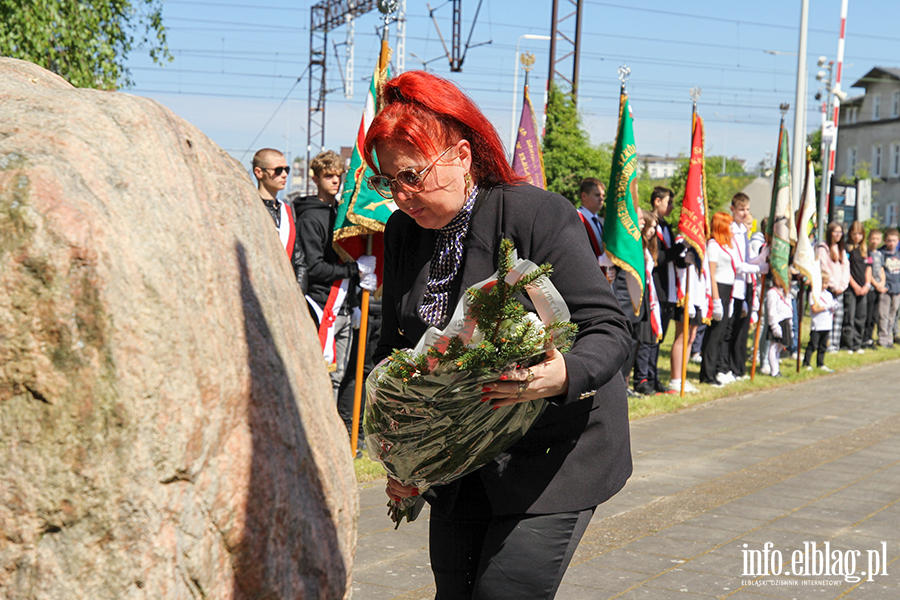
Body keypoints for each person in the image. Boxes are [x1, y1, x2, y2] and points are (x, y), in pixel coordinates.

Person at [364, 70, 633, 600]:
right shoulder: (401, 232)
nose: (400, 196)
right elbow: (394, 351)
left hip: (553, 451)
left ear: (462, 156)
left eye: (412, 176)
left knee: (504, 592)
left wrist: (562, 374)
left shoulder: (535, 213)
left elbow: (609, 328)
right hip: (460, 460)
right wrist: (403, 455)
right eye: (387, 181)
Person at [292, 150, 378, 400]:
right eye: (328, 176)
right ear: (316, 179)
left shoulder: (341, 215)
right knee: (321, 377)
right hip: (320, 307)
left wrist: (356, 292)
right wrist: (355, 270)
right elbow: (314, 267)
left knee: (339, 378)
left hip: (344, 307)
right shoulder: (310, 217)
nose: (335, 181)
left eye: (338, 176)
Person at [634, 186, 680, 395]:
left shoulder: (666, 227)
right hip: (655, 290)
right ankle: (643, 378)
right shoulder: (649, 229)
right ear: (657, 202)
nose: (671, 206)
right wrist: (674, 253)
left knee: (658, 337)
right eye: (668, 202)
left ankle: (653, 377)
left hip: (667, 289)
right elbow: (657, 258)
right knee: (649, 337)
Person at [252, 148, 308, 294]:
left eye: (286, 169)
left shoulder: (288, 211)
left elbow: (299, 261)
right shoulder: (250, 207)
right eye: (278, 170)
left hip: (287, 295)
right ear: (259, 172)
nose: (284, 175)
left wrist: (298, 297)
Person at [726, 193, 767, 379]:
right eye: (741, 209)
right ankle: (725, 366)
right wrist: (759, 267)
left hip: (744, 286)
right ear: (733, 209)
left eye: (747, 209)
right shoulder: (731, 230)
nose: (745, 213)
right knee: (729, 329)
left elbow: (749, 258)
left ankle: (737, 367)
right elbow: (738, 264)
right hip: (732, 285)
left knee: (741, 330)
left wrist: (764, 255)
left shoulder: (743, 232)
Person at [700, 212, 737, 387]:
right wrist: (716, 300)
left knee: (721, 334)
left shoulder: (726, 245)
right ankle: (707, 374)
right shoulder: (713, 245)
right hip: (719, 289)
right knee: (714, 335)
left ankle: (714, 370)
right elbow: (712, 274)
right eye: (728, 224)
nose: (731, 228)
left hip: (728, 289)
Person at [632, 211, 664, 396]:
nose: (651, 231)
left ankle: (650, 377)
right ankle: (640, 379)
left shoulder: (648, 248)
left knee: (651, 339)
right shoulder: (637, 246)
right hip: (641, 296)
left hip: (651, 296)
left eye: (653, 228)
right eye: (649, 226)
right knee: (642, 340)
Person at [818, 222, 850, 353]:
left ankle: (835, 344)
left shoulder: (841, 249)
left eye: (840, 232)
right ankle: (826, 343)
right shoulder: (823, 248)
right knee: (827, 317)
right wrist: (834, 285)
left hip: (840, 288)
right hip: (829, 287)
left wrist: (842, 285)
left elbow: (846, 268)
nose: (838, 235)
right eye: (835, 232)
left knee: (839, 316)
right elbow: (824, 267)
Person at [842, 220, 871, 354]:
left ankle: (857, 343)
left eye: (860, 234)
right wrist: (854, 286)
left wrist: (866, 284)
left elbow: (868, 269)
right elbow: (846, 269)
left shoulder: (865, 250)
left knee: (861, 315)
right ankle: (847, 343)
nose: (857, 237)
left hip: (863, 287)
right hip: (851, 287)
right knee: (850, 315)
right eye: (854, 233)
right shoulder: (847, 249)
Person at [803, 270, 837, 372]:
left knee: (823, 345)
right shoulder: (813, 294)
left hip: (827, 323)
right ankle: (806, 362)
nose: (824, 285)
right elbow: (815, 309)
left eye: (826, 283)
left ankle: (820, 363)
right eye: (822, 283)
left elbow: (831, 307)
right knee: (813, 344)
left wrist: (834, 306)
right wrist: (826, 306)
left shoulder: (828, 295)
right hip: (817, 324)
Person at [765, 281, 793, 377]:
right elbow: (771, 310)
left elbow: (789, 308)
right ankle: (774, 371)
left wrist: (790, 322)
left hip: (785, 321)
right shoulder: (772, 292)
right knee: (773, 346)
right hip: (777, 321)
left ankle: (776, 369)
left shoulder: (786, 292)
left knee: (780, 347)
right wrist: (774, 325)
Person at [878, 228, 900, 348]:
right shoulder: (881, 254)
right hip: (886, 288)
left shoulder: (898, 254)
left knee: (893, 314)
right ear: (885, 241)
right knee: (884, 315)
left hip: (897, 289)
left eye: (894, 241)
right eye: (889, 241)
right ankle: (883, 338)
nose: (892, 243)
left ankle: (890, 338)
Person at [864, 228, 885, 348]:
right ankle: (865, 338)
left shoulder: (879, 254)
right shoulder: (867, 252)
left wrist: (882, 282)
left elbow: (881, 269)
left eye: (877, 239)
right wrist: (876, 284)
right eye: (873, 238)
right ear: (868, 239)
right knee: (868, 313)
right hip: (870, 288)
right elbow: (868, 271)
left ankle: (870, 338)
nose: (875, 241)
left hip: (878, 288)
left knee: (874, 315)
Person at [576, 177, 606, 258]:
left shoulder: (602, 222)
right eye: (597, 195)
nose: (601, 199)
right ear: (584, 196)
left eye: (603, 195)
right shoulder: (576, 218)